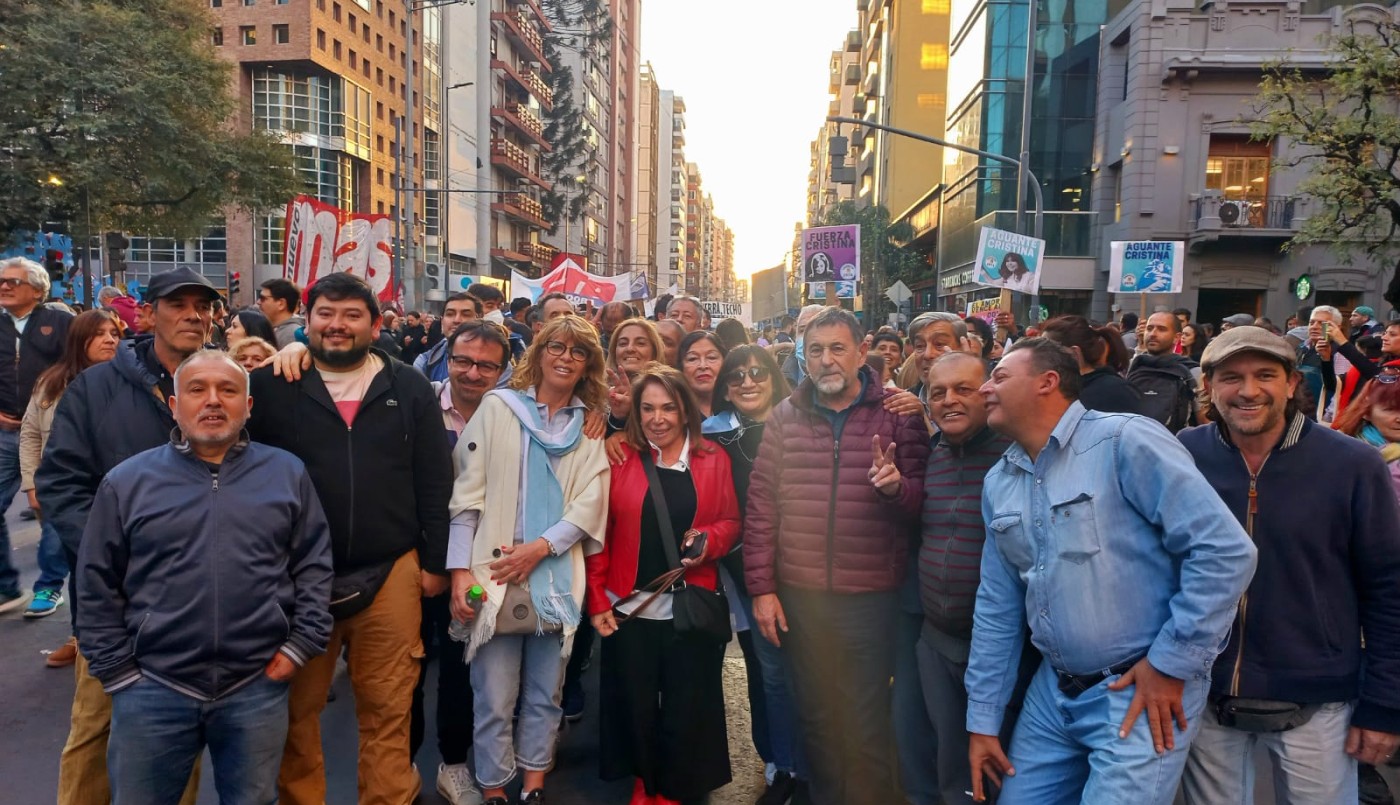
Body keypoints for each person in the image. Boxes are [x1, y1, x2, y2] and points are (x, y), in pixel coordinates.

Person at [966, 338, 1257, 803]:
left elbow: (1224, 551)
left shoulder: (1125, 440)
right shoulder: (1000, 480)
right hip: (1052, 694)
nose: (985, 388)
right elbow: (997, 607)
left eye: (999, 376)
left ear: (1048, 382)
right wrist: (983, 720)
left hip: (1139, 692)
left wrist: (1171, 663)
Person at [75, 350, 334, 805]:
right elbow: (95, 583)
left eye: (227, 390)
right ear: (175, 406)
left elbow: (313, 565)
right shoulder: (127, 482)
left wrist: (300, 646)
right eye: (197, 389)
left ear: (247, 406)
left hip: (256, 685)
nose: (213, 400)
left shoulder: (286, 473)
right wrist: (118, 672)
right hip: (152, 687)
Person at [247, 272, 454, 805]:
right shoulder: (271, 386)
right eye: (326, 313)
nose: (337, 325)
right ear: (307, 321)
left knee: (389, 708)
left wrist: (434, 563)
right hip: (295, 579)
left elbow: (435, 479)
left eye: (351, 315)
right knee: (296, 711)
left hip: (391, 571)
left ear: (376, 325)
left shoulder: (408, 387)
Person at [1178, 327, 1400, 805]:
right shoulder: (1183, 455)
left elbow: (1388, 588)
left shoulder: (1352, 464)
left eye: (1265, 375)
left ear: (1292, 382)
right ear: (1209, 385)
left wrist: (1385, 703)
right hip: (1203, 691)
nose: (1249, 391)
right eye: (1231, 377)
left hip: (1319, 696)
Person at [37, 266, 221, 805]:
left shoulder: (227, 383)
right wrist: (110, 558)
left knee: (179, 730)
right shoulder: (96, 387)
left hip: (196, 597)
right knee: (96, 725)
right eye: (178, 304)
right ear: (147, 314)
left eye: (203, 306)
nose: (193, 315)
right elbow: (61, 483)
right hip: (113, 596)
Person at [745, 307, 930, 805]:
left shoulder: (899, 414)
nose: (826, 360)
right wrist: (762, 590)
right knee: (817, 715)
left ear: (861, 352)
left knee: (866, 716)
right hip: (802, 600)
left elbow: (923, 506)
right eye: (815, 350)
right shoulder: (785, 417)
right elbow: (761, 508)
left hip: (871, 598)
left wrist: (896, 490)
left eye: (837, 348)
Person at [446, 315, 610, 805]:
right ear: (538, 352)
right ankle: (494, 786)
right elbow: (466, 495)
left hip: (555, 570)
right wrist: (459, 572)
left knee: (546, 691)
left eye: (578, 351)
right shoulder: (498, 408)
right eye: (556, 346)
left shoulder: (588, 425)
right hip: (493, 570)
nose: (565, 357)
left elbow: (591, 501)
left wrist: (542, 547)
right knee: (493, 695)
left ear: (588, 365)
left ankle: (534, 783)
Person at [589, 364, 740, 804]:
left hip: (689, 602)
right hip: (629, 605)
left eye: (669, 408)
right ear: (636, 412)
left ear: (685, 410)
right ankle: (644, 780)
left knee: (686, 702)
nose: (658, 418)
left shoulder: (714, 458)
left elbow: (731, 520)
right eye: (648, 408)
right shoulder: (619, 456)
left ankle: (673, 786)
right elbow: (599, 534)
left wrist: (709, 540)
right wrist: (596, 599)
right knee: (634, 702)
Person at [918, 351, 1028, 805]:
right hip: (937, 642)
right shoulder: (932, 454)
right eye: (937, 392)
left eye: (963, 389)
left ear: (987, 394)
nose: (949, 400)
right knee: (952, 763)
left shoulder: (1020, 456)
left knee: (999, 768)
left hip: (1004, 650)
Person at [412, 320, 513, 804]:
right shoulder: (419, 403)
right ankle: (401, 764)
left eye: (486, 366)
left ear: (503, 370)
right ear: (446, 359)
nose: (472, 373)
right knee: (407, 668)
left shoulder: (512, 415)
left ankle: (453, 764)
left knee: (459, 665)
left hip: (477, 567)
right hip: (416, 561)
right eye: (463, 361)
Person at [702, 346, 804, 805]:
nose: (748, 382)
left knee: (814, 672)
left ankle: (816, 763)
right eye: (737, 375)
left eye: (758, 372)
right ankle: (783, 764)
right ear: (725, 388)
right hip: (749, 577)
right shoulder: (710, 437)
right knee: (772, 674)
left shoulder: (804, 423)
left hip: (807, 573)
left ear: (774, 377)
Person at [19, 310, 121, 627]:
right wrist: (31, 483)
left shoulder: (126, 381)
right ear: (79, 339)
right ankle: (75, 629)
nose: (109, 340)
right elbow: (30, 433)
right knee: (69, 552)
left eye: (114, 333)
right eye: (99, 333)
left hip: (111, 487)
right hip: (64, 485)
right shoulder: (51, 382)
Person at [0, 257, 72, 613]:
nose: (5, 286)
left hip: (49, 431)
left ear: (38, 289)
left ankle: (49, 586)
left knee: (51, 507)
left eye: (14, 281)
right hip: (4, 432)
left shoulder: (60, 323)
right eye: (2, 281)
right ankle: (6, 588)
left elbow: (78, 366)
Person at [1041, 314, 1145, 415]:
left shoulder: (1112, 393)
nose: (1039, 360)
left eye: (1047, 353)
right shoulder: (1067, 389)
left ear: (1074, 354)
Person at [1126, 311, 1199, 432]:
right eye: (1149, 328)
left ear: (1176, 337)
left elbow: (1204, 421)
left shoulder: (1192, 372)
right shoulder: (1129, 367)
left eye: (1161, 329)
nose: (1153, 334)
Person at [413, 293, 484, 381]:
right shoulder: (424, 362)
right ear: (442, 320)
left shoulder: (495, 358)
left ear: (480, 320)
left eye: (466, 314)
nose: (457, 320)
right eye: (450, 314)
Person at [675, 330, 727, 418]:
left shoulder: (738, 407)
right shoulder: (675, 412)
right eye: (692, 359)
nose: (703, 366)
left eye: (711, 357)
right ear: (681, 367)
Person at [780, 304, 824, 388]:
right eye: (802, 330)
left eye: (817, 329)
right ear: (796, 336)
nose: (807, 336)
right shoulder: (779, 382)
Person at [257, 278, 305, 349]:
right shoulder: (278, 330)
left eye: (263, 298)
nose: (258, 302)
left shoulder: (291, 334)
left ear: (281, 304)